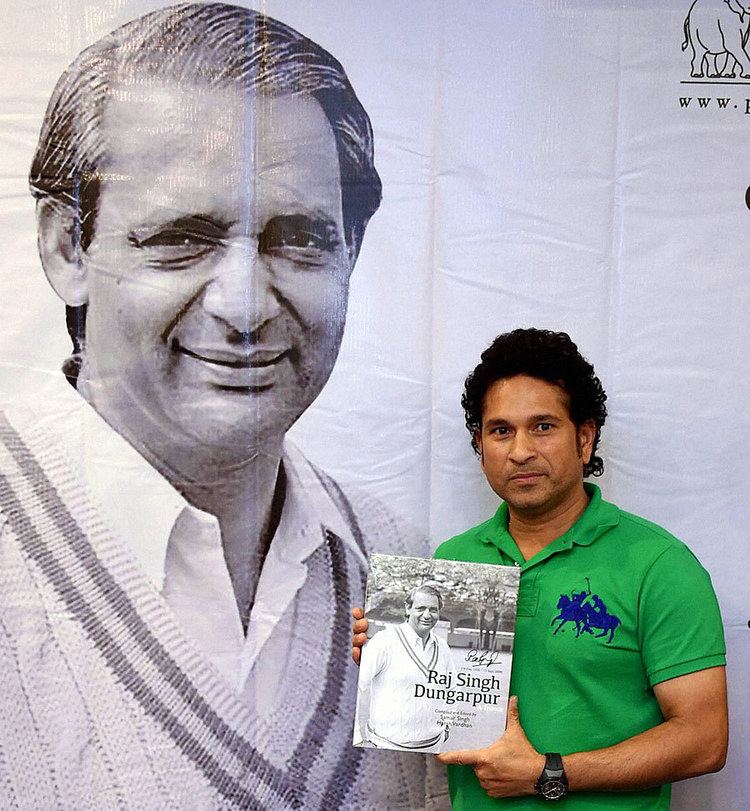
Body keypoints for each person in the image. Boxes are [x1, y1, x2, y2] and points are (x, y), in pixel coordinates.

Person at [0, 4, 432, 809]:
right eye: (181, 237)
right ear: (67, 247)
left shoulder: (405, 560)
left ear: (352, 251)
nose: (244, 306)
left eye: (298, 236)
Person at [353, 327, 727, 809]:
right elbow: (436, 713)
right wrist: (391, 662)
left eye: (543, 426)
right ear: (480, 444)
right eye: (501, 430)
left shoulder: (658, 564)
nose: (520, 450)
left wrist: (546, 774)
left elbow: (704, 738)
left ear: (585, 438)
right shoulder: (452, 564)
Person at [356, 585, 456, 751]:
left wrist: (446, 727)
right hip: (385, 746)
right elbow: (356, 686)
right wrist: (359, 739)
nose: (427, 615)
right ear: (408, 608)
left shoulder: (442, 646)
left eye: (433, 609)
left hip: (432, 747)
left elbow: (451, 689)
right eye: (421, 608)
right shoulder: (384, 641)